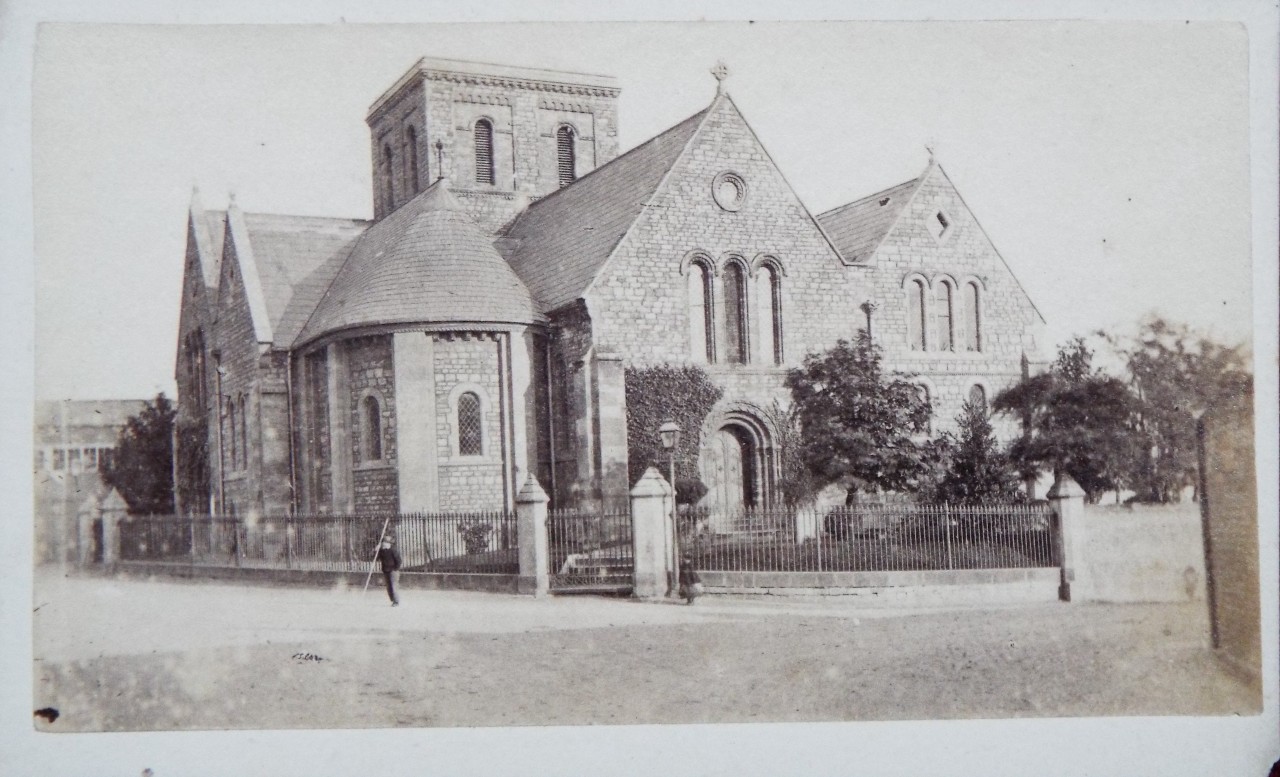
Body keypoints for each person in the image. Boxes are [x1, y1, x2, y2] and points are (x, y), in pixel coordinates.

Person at [375, 537, 402, 606]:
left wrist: (396, 568)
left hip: (393, 571)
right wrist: (376, 551)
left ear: (389, 544)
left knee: (394, 586)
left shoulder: (393, 550)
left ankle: (396, 601)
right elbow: (375, 559)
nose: (384, 544)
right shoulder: (381, 551)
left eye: (385, 543)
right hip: (385, 570)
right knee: (388, 586)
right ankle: (393, 599)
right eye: (383, 543)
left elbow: (399, 560)